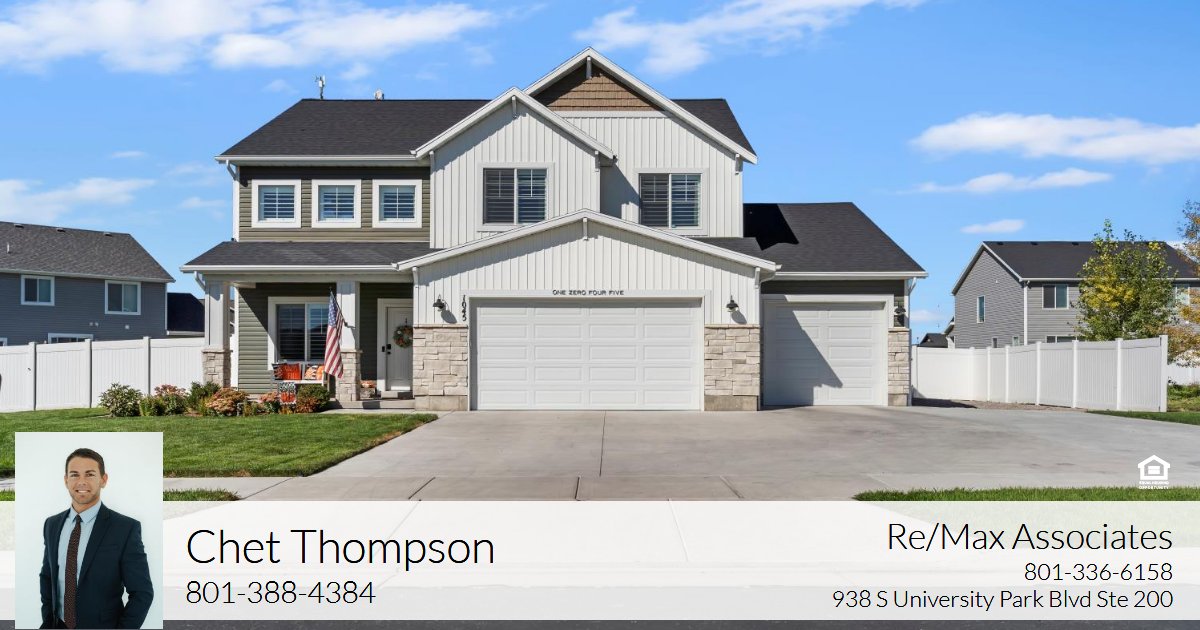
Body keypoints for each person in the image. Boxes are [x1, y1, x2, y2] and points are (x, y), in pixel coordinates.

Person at [39, 448, 153, 629]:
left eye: (90, 474)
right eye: (74, 475)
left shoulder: (125, 528)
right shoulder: (51, 525)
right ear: (66, 480)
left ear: (103, 480)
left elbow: (142, 593)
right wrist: (47, 622)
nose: (81, 481)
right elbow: (47, 576)